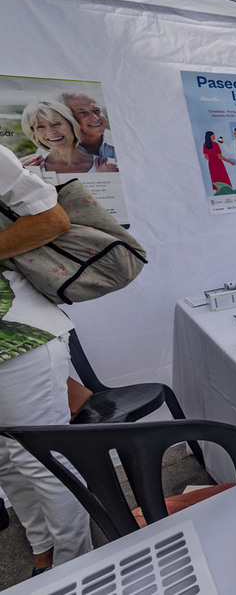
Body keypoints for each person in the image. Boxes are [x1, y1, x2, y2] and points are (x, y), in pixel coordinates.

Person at [0, 144, 92, 574]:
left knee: (41, 457)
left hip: (15, 336)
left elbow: (52, 218)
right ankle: (44, 550)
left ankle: (77, 567)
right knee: (6, 460)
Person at [21, 101, 118, 174]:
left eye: (56, 124)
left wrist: (110, 178)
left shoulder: (107, 166)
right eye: (40, 127)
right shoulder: (30, 169)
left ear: (71, 124)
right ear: (33, 133)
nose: (50, 132)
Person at [60, 93, 115, 159]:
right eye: (82, 112)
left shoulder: (123, 140)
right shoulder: (56, 153)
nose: (95, 118)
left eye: (96, 110)